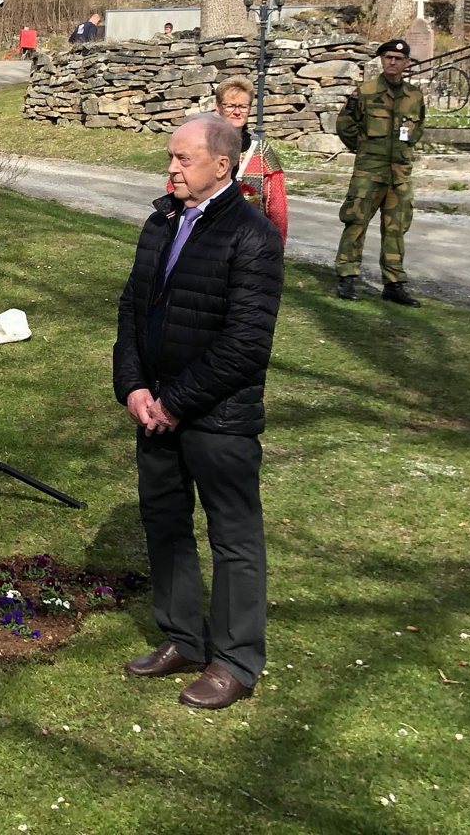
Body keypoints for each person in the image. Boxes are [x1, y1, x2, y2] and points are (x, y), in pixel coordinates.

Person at [114, 113, 283, 711]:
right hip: (154, 412)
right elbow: (132, 307)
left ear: (222, 165)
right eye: (170, 157)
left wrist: (176, 403)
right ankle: (183, 638)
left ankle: (235, 661)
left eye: (183, 159)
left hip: (218, 420)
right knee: (164, 523)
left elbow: (245, 344)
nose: (171, 168)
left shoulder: (253, 237)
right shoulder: (161, 221)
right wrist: (133, 387)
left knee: (233, 537)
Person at [334, 38, 426, 305]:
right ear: (382, 61)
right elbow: (345, 125)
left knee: (396, 227)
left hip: (399, 174)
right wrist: (364, 148)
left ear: (407, 62)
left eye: (398, 59)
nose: (393, 63)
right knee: (356, 222)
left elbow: (416, 130)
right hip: (369, 171)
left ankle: (394, 283)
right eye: (388, 58)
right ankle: (347, 275)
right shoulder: (366, 92)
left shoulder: (414, 97)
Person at [214, 76, 288, 241]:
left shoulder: (260, 150)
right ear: (218, 107)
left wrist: (277, 243)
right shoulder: (202, 144)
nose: (237, 111)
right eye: (230, 106)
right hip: (209, 236)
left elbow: (277, 206)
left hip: (249, 238)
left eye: (243, 106)